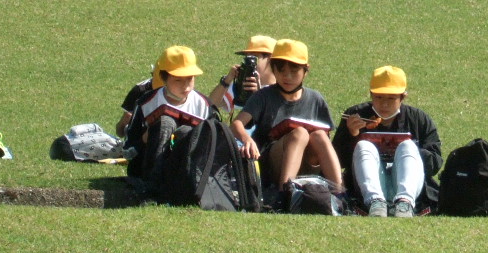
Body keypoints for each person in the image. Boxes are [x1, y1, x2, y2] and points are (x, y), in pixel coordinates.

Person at [231, 38, 343, 209]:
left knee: (319, 135)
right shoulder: (264, 96)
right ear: (273, 69)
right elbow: (237, 123)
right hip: (273, 164)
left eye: (294, 70)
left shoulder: (316, 99)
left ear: (306, 71)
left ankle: (340, 194)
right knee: (299, 133)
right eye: (281, 70)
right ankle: (285, 196)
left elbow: (326, 138)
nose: (287, 76)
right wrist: (247, 139)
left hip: (308, 165)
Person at [333, 66, 442, 218]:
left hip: (408, 185)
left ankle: (405, 204)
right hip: (365, 190)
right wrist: (352, 135)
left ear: (403, 97)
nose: (384, 104)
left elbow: (435, 163)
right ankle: (375, 203)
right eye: (379, 97)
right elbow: (337, 161)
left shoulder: (418, 119)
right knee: (364, 145)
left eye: (391, 98)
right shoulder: (355, 115)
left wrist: (408, 151)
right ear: (371, 95)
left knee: (408, 146)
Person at [125, 45, 213, 198]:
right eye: (178, 80)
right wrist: (144, 139)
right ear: (164, 78)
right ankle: (152, 188)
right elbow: (128, 150)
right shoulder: (146, 103)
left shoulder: (204, 105)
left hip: (186, 169)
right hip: (145, 167)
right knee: (164, 123)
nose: (186, 86)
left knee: (186, 131)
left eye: (190, 79)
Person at [208, 34, 277, 115]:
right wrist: (226, 81)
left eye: (254, 58)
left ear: (272, 60)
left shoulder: (283, 88)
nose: (249, 64)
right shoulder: (243, 85)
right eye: (247, 59)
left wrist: (258, 95)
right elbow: (210, 105)